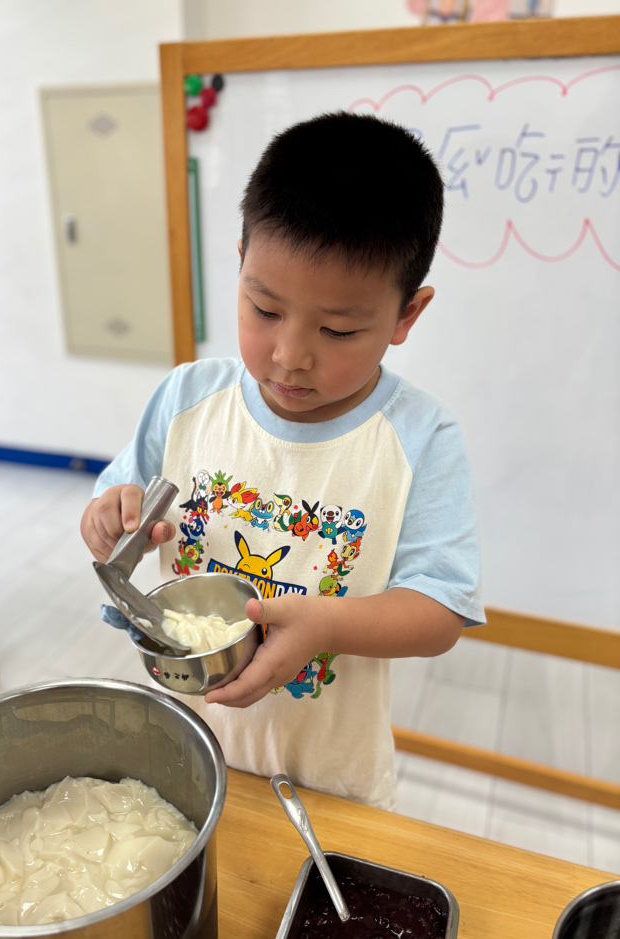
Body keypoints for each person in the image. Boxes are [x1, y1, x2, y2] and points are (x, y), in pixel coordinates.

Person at [81, 111, 484, 810]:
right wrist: (110, 515)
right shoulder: (187, 399)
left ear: (406, 315)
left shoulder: (419, 438)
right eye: (264, 310)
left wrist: (326, 624)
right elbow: (123, 491)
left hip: (327, 778)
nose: (290, 355)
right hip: (187, 752)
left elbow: (441, 611)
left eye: (338, 330)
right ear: (240, 261)